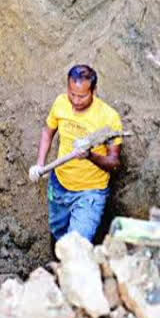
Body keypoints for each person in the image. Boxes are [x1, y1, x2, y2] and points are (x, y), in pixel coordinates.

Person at [29, 65, 123, 243]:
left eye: (82, 96)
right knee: (58, 234)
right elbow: (47, 132)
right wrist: (40, 164)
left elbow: (115, 163)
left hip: (90, 193)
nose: (76, 101)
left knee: (76, 244)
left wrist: (90, 156)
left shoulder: (109, 118)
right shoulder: (61, 103)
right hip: (60, 184)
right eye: (72, 94)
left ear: (94, 91)